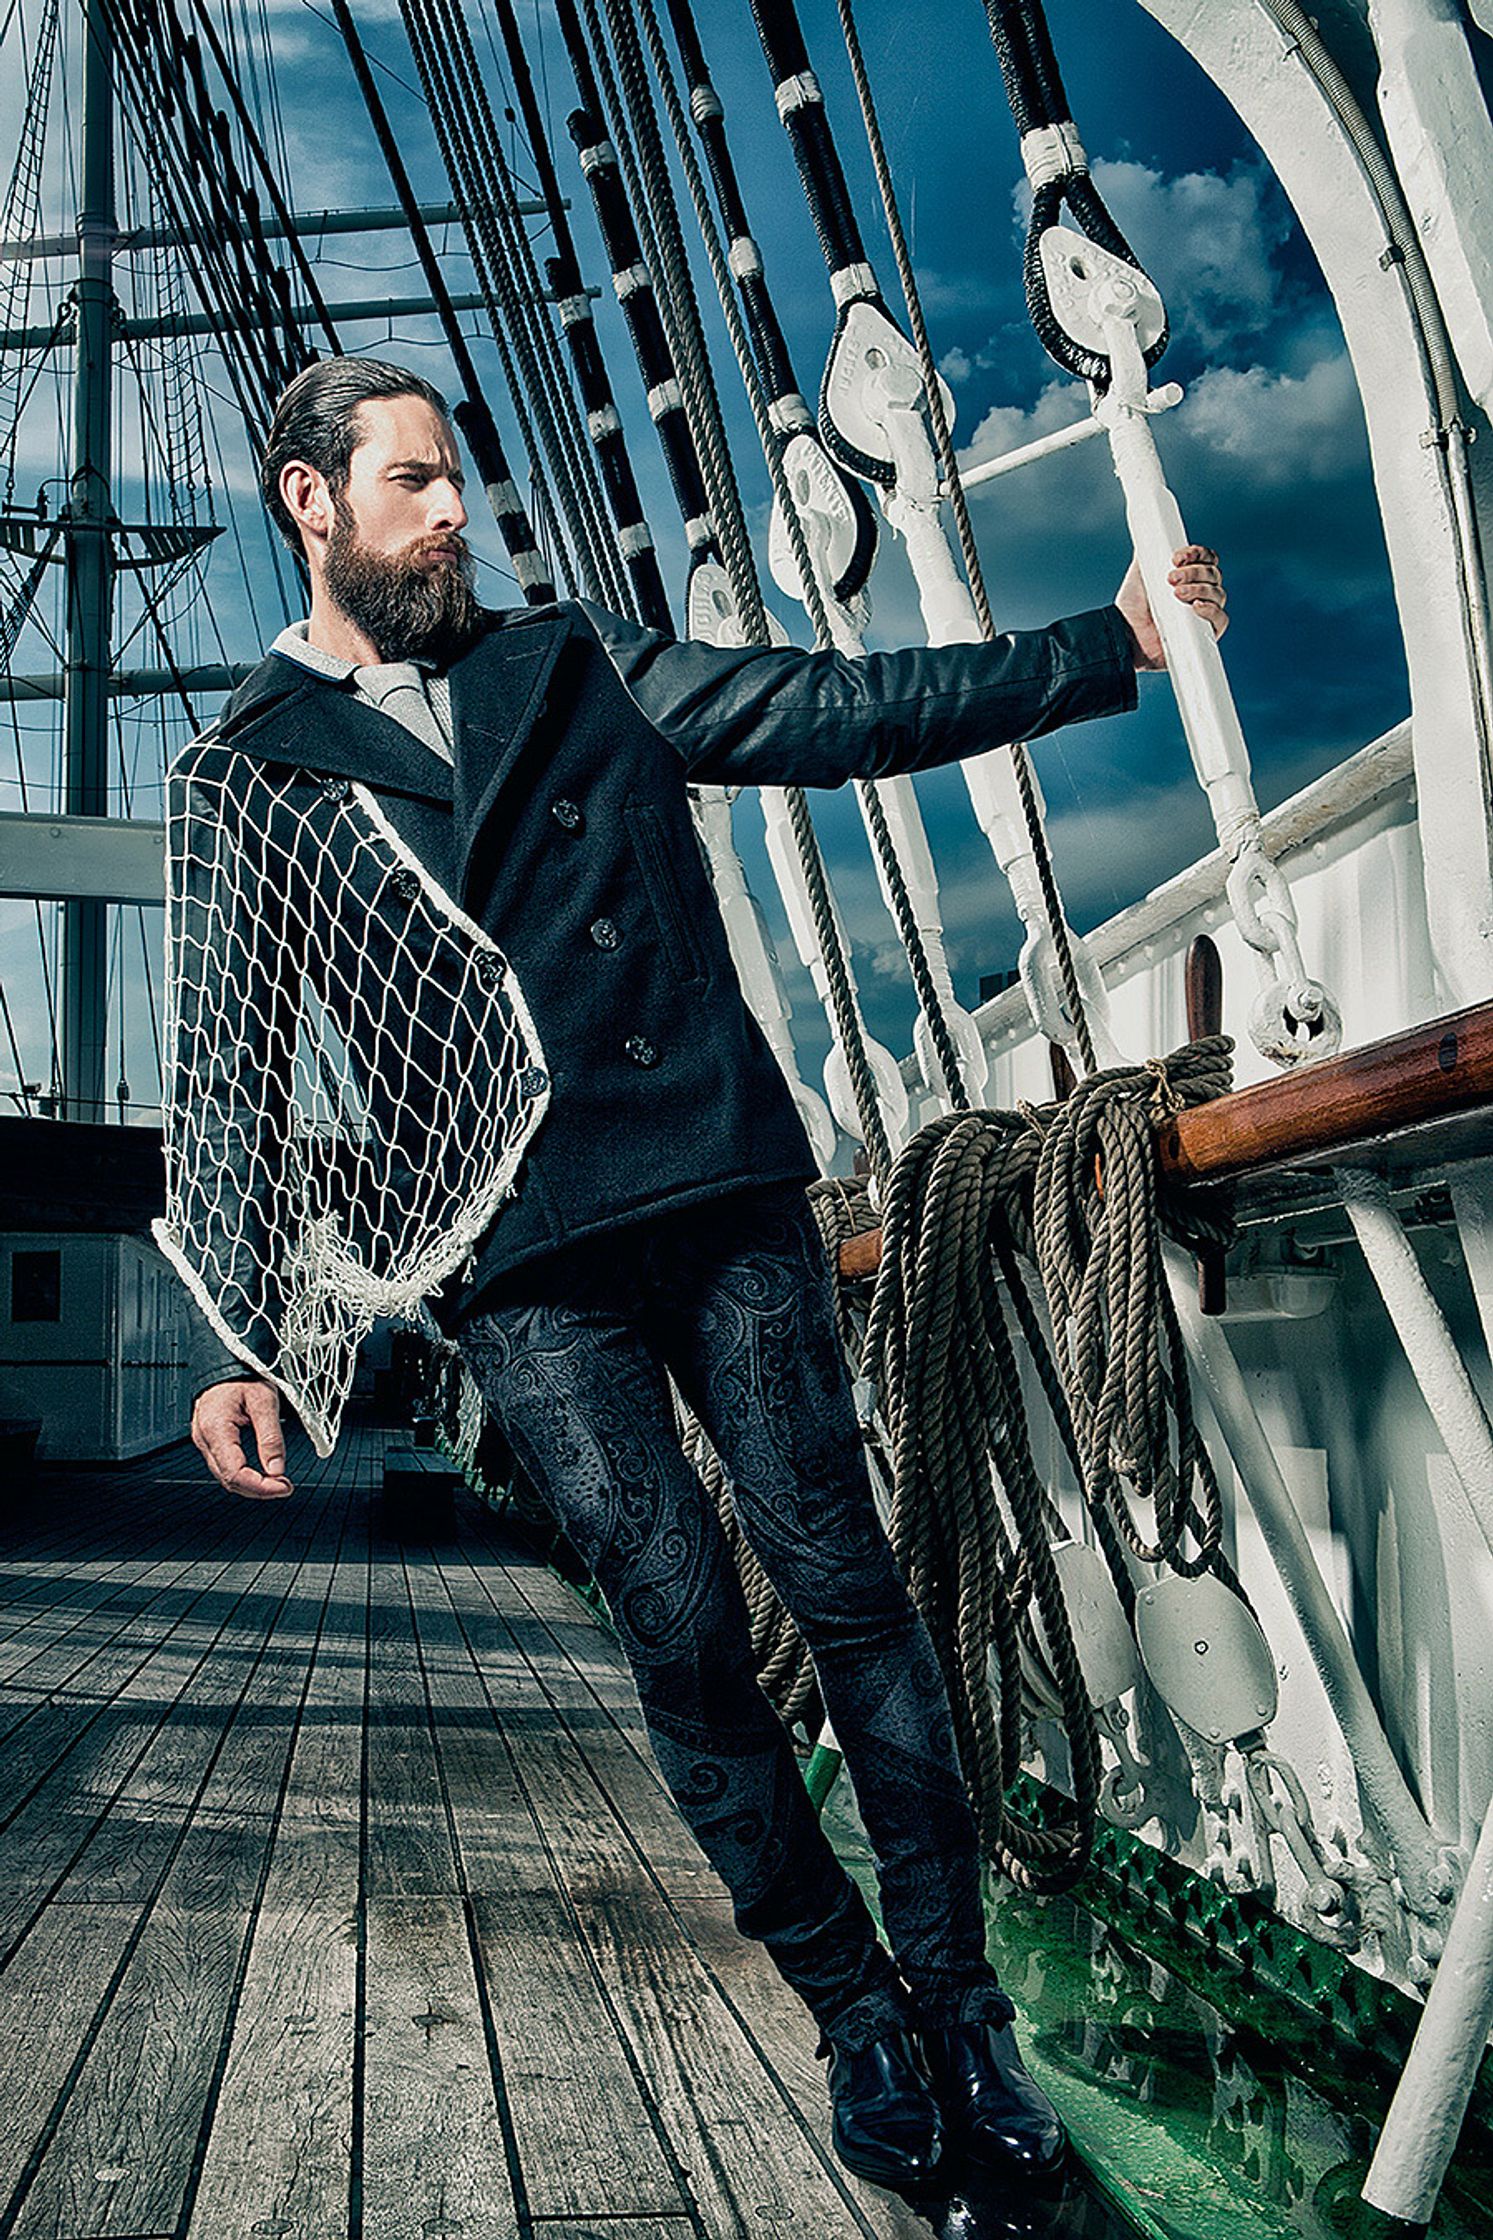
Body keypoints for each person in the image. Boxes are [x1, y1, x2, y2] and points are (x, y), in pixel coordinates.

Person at [181, 356, 1226, 2189]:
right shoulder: (251, 774)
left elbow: (826, 708)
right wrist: (248, 1338)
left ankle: (959, 2004)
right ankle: (853, 2012)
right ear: (308, 502)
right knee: (674, 1622)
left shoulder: (569, 662)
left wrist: (1104, 645)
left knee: (844, 1580)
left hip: (716, 1185)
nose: (454, 515)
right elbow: (238, 1076)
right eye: (416, 483)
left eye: (458, 484)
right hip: (511, 1261)